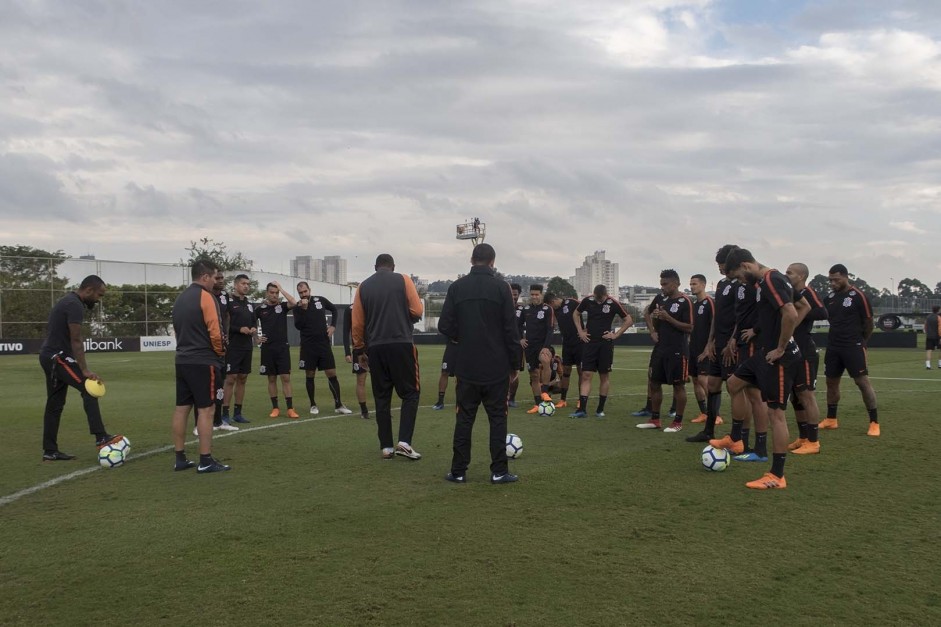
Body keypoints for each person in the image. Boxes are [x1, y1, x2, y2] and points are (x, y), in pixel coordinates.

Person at [710, 249, 800, 490]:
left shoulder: (772, 279)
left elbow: (791, 312)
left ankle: (777, 475)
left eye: (739, 276)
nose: (740, 282)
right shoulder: (763, 282)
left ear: (745, 265)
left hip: (779, 357)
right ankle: (736, 438)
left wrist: (781, 347)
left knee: (776, 414)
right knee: (733, 382)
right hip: (762, 353)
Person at [438, 243, 522, 484]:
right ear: (493, 262)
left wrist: (460, 337)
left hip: (466, 365)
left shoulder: (457, 287)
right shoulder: (502, 288)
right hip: (496, 365)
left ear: (471, 260)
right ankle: (498, 471)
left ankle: (458, 471)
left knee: (464, 418)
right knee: (498, 418)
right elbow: (510, 330)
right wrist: (515, 364)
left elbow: (444, 325)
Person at [39, 275, 123, 461]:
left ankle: (50, 451)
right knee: (89, 387)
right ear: (89, 290)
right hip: (57, 357)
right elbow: (76, 340)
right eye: (99, 295)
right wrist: (84, 370)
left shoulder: (68, 301)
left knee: (55, 404)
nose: (98, 299)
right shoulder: (74, 305)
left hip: (50, 356)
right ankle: (101, 437)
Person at [351, 254, 424, 460]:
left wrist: (359, 350)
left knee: (382, 397)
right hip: (401, 344)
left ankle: (386, 447)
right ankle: (404, 442)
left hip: (376, 348)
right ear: (393, 267)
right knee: (411, 393)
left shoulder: (363, 287)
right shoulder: (404, 279)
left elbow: (357, 323)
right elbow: (417, 310)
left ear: (375, 267)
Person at [171, 260, 230, 473]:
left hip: (183, 359)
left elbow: (177, 331)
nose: (216, 282)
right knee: (207, 409)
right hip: (204, 360)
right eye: (214, 277)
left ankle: (180, 458)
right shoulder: (207, 297)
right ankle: (205, 460)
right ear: (205, 276)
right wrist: (221, 352)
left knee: (182, 408)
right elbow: (216, 331)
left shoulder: (180, 298)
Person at [820, 264, 880, 436]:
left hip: (853, 346)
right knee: (831, 383)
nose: (832, 283)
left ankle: (874, 422)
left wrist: (862, 341)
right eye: (830, 280)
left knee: (862, 382)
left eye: (836, 279)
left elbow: (869, 323)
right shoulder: (830, 297)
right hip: (833, 346)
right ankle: (831, 419)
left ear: (846, 277)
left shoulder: (859, 296)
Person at [686, 245, 737, 443]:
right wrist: (710, 343)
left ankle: (738, 435)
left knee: (735, 388)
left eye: (722, 264)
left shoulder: (742, 286)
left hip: (731, 347)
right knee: (710, 383)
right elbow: (719, 318)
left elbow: (739, 317)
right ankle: (708, 429)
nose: (720, 268)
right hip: (714, 345)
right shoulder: (722, 285)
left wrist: (731, 340)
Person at [635, 271, 691, 431]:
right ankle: (655, 419)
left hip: (678, 349)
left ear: (676, 283)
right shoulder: (660, 299)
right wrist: (652, 330)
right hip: (660, 348)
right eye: (661, 284)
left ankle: (677, 422)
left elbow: (691, 327)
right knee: (654, 382)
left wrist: (668, 318)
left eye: (665, 284)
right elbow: (647, 312)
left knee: (678, 386)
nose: (662, 287)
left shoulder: (685, 301)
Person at [785, 262, 828, 455]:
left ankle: (813, 441)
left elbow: (821, 312)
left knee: (806, 394)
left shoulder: (807, 293)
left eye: (790, 272)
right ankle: (802, 437)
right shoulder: (788, 292)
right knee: (795, 396)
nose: (786, 275)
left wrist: (799, 307)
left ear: (801, 276)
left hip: (805, 350)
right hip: (791, 350)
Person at [572, 284, 633, 418]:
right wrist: (580, 331)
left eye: (601, 299)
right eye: (596, 298)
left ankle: (600, 409)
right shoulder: (588, 300)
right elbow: (576, 313)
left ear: (606, 295)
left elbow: (628, 320)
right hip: (589, 342)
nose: (599, 301)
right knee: (586, 374)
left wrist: (616, 335)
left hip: (605, 344)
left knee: (604, 376)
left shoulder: (613, 303)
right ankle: (582, 409)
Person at [294, 282, 352, 415]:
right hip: (308, 346)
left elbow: (334, 310)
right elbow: (298, 325)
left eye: (305, 291)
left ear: (309, 290)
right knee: (310, 375)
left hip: (323, 344)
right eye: (301, 293)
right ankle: (313, 405)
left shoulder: (320, 300)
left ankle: (338, 404)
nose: (303, 295)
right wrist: (303, 309)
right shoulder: (297, 307)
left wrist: (333, 326)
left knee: (332, 373)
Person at [193, 268, 238, 435]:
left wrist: (225, 335)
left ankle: (219, 421)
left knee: (220, 384)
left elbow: (226, 317)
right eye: (217, 277)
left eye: (222, 278)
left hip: (221, 346)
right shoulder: (204, 296)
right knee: (202, 386)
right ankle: (198, 424)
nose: (220, 280)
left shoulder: (225, 296)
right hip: (206, 347)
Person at [256, 281, 299, 419]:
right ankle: (275, 408)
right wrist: (255, 337)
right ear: (267, 293)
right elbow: (250, 324)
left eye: (276, 293)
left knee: (285, 377)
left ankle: (290, 408)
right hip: (268, 348)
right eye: (272, 292)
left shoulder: (283, 307)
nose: (274, 295)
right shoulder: (260, 309)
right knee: (271, 378)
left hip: (282, 347)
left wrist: (281, 288)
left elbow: (294, 302)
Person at [221, 274, 255, 424]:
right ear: (235, 285)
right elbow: (224, 324)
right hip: (233, 346)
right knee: (230, 379)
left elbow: (254, 321)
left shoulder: (249, 304)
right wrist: (238, 329)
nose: (246, 286)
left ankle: (238, 413)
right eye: (243, 283)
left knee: (243, 378)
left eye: (248, 284)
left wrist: (254, 328)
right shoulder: (228, 302)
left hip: (247, 346)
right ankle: (224, 414)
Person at [518, 284, 555, 413]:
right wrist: (520, 339)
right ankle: (538, 404)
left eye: (536, 294)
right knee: (533, 375)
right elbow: (517, 326)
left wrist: (546, 347)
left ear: (541, 294)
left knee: (545, 361)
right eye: (532, 294)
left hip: (543, 344)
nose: (534, 297)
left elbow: (550, 329)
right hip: (529, 346)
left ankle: (544, 391)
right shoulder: (525, 309)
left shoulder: (547, 309)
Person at [546, 292, 583, 408]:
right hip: (567, 344)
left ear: (552, 302)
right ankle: (563, 400)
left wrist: (586, 328)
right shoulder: (555, 311)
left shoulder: (572, 302)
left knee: (581, 371)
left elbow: (587, 308)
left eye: (551, 306)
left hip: (580, 343)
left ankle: (581, 399)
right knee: (566, 372)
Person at [687, 274, 714, 424]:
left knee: (705, 380)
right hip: (693, 349)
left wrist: (708, 348)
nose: (692, 286)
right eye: (690, 284)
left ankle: (714, 414)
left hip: (706, 349)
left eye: (695, 284)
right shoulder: (693, 305)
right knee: (696, 380)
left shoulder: (710, 302)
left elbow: (715, 326)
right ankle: (704, 412)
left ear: (703, 285)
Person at [341, 302, 371, 419]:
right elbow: (345, 331)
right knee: (361, 380)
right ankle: (364, 411)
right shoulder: (350, 309)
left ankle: (382, 408)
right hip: (359, 349)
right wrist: (347, 352)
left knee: (380, 380)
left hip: (375, 348)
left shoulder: (372, 305)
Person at [507, 283, 524, 407]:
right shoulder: (501, 308)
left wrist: (523, 338)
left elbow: (531, 325)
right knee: (500, 372)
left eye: (515, 294)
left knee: (514, 372)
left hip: (516, 346)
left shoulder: (522, 310)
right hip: (501, 345)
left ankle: (512, 398)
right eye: (511, 294)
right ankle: (502, 397)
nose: (513, 297)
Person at [432, 339, 457, 410]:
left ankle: (461, 401)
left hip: (464, 346)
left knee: (461, 374)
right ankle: (440, 401)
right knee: (444, 372)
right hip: (451, 346)